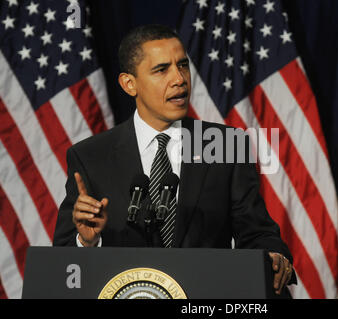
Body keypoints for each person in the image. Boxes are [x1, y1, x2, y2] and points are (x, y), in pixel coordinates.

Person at [53, 24, 295, 295]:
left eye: (182, 65)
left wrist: (273, 254)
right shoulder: (90, 157)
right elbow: (62, 262)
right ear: (129, 84)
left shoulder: (227, 145)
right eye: (161, 70)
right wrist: (87, 242)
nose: (179, 79)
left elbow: (256, 229)